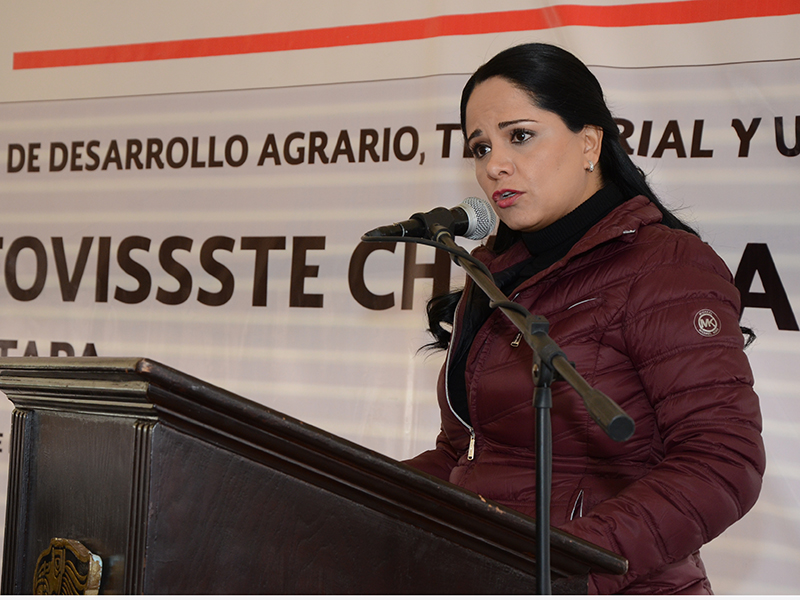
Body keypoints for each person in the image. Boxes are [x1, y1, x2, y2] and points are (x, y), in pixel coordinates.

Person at [403, 43, 765, 595]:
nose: (494, 165)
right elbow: (466, 454)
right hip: (486, 574)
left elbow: (722, 462)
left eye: (520, 136)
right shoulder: (491, 274)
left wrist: (563, 566)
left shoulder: (665, 266)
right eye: (480, 147)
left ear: (590, 142)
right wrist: (350, 497)